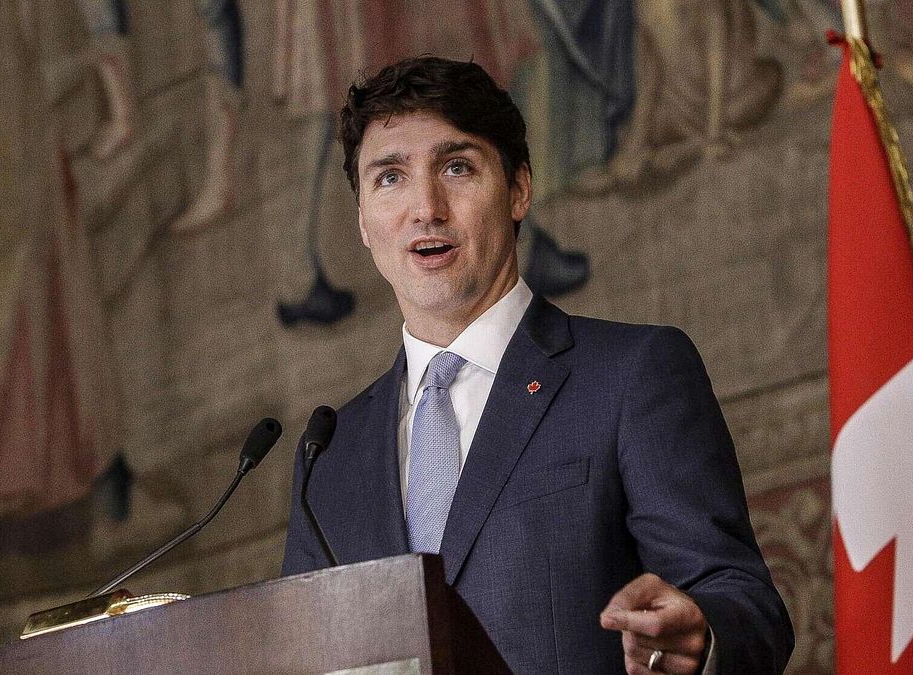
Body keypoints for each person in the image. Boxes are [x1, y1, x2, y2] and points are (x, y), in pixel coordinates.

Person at [281, 56, 793, 674]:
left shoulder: (632, 375)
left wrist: (701, 635)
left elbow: (745, 604)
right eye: (390, 177)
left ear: (520, 189)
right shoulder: (329, 456)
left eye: (456, 167)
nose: (426, 207)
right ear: (363, 220)